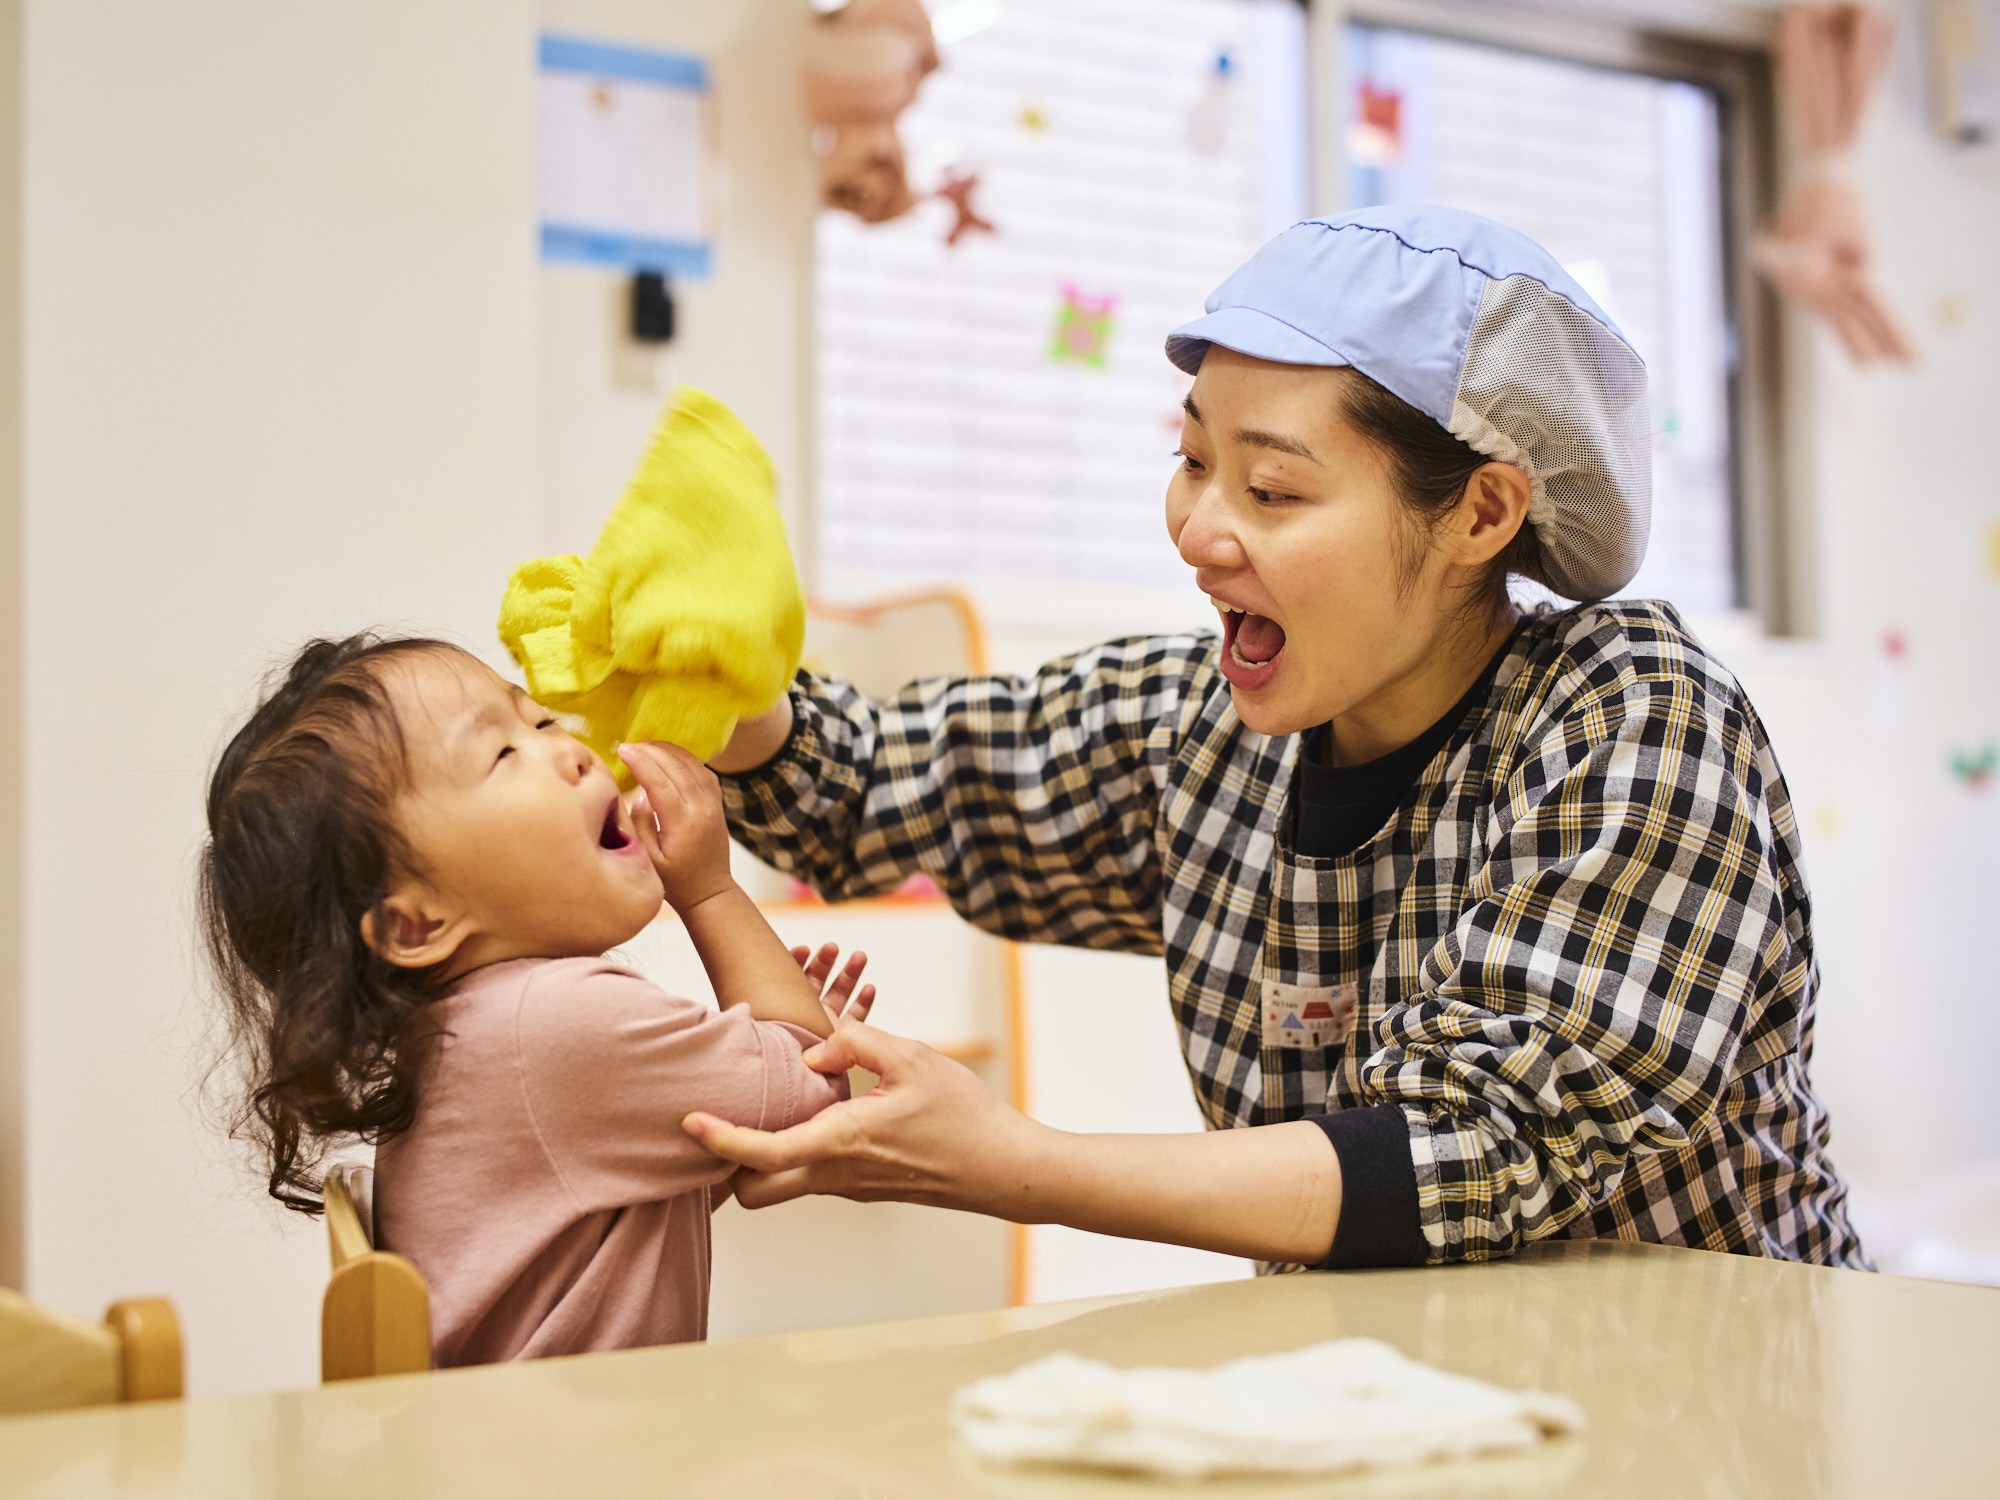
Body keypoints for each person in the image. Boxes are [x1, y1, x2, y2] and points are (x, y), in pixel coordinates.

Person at [683, 206, 1869, 1272]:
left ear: (1480, 512)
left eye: (1271, 491)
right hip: (1381, 1408)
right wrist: (721, 682)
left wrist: (1008, 1161)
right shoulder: (1198, 732)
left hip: (1689, 1421)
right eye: (1191, 461)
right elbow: (875, 780)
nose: (1196, 531)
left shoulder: (1636, 723)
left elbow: (1472, 1151)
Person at [201, 635, 875, 1364]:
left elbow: (624, 1209)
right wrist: (712, 891)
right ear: (417, 922)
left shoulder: (468, 1032)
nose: (577, 752)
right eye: (501, 755)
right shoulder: (551, 1023)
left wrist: (776, 1040)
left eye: (540, 722)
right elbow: (817, 1091)